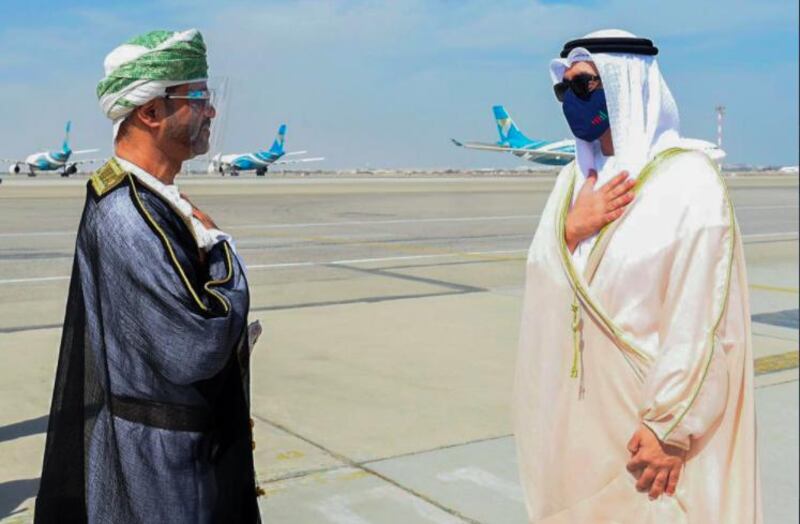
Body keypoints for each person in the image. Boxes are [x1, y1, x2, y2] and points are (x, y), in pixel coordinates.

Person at [513, 29, 762, 523]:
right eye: (565, 89)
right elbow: (544, 278)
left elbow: (702, 320)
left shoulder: (689, 183)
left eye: (585, 85)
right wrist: (568, 230)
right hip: (578, 424)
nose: (572, 100)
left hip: (649, 437)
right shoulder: (573, 182)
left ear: (626, 84)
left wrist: (669, 426)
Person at [35, 29, 261, 523]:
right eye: (198, 98)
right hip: (161, 468)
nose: (211, 112)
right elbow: (195, 345)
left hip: (169, 449)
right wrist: (222, 254)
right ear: (151, 113)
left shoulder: (149, 199)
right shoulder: (129, 215)